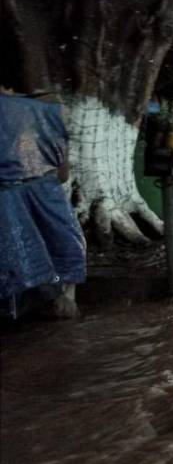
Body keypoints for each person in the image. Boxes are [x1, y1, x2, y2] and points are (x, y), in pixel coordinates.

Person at [1, 90, 86, 319]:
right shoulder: (51, 109)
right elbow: (63, 175)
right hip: (50, 199)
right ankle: (65, 307)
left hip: (9, 205)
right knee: (64, 255)